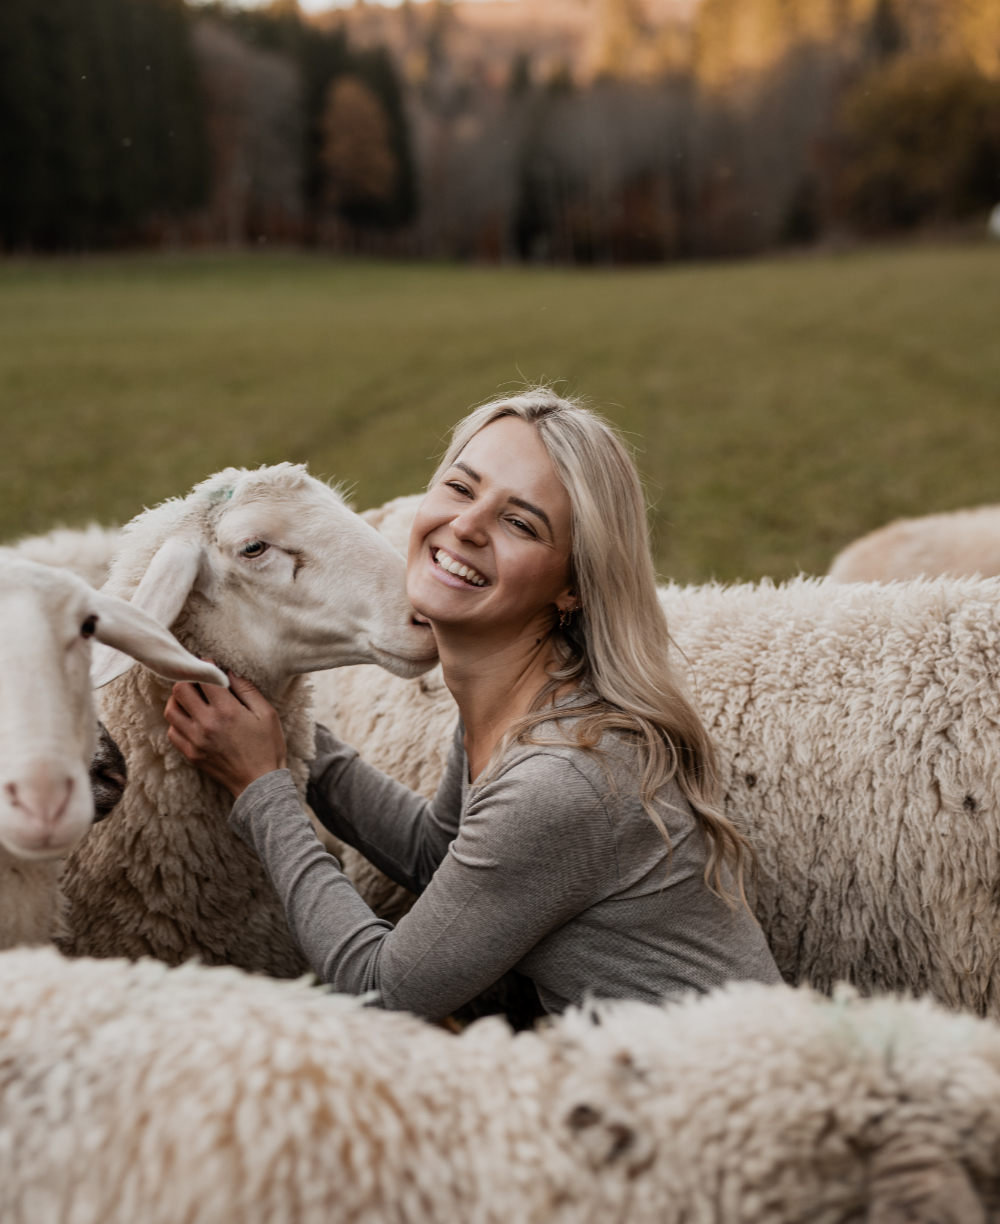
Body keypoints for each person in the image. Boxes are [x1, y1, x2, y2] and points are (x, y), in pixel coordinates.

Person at [165, 388, 780, 1022]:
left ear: (574, 584)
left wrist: (264, 787)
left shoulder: (560, 776)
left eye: (520, 523)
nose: (465, 526)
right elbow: (440, 854)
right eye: (461, 488)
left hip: (705, 1081)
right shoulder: (526, 703)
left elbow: (382, 987)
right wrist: (292, 737)